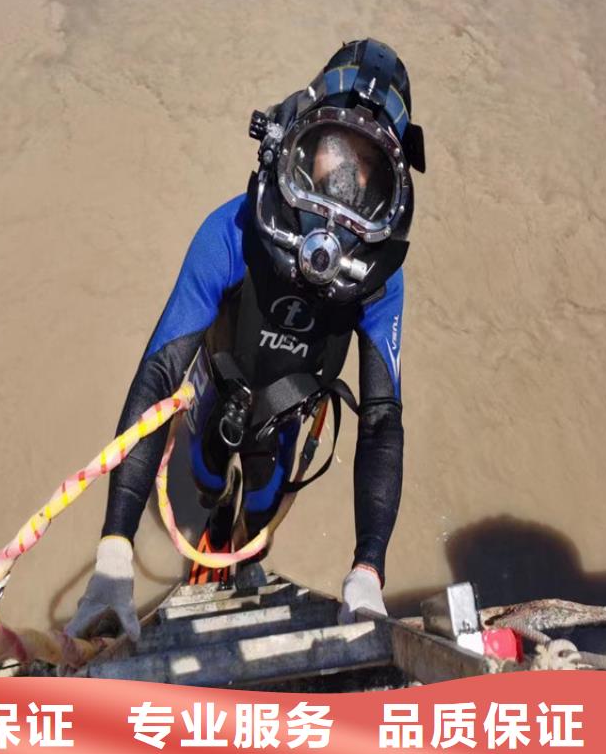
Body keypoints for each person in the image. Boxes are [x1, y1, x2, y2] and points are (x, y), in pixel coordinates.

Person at [65, 38, 426, 643]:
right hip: (217, 384)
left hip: (286, 415)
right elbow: (160, 375)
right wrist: (115, 550)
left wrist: (368, 571)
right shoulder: (231, 232)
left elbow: (382, 419)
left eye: (366, 179)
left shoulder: (379, 283)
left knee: (264, 491)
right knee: (206, 468)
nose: (340, 196)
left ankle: (248, 547)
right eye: (332, 157)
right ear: (296, 142)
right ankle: (214, 518)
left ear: (392, 197)